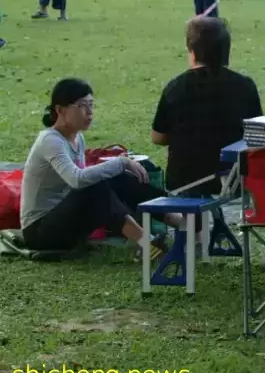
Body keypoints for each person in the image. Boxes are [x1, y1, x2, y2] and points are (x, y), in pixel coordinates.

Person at [150, 17, 265, 270]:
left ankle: (194, 236)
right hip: (235, 178)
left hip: (185, 179)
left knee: (188, 179)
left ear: (192, 53)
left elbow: (157, 137)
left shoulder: (175, 87)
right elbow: (254, 135)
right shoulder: (244, 86)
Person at [19, 78, 188, 256]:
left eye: (91, 104)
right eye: (82, 106)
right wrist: (121, 162)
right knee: (95, 186)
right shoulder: (50, 140)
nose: (90, 112)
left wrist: (118, 168)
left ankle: (178, 221)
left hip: (65, 221)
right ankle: (146, 242)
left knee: (115, 178)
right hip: (39, 232)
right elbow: (76, 180)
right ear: (60, 110)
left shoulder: (77, 138)